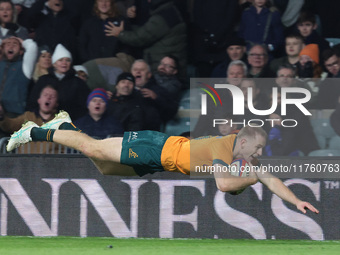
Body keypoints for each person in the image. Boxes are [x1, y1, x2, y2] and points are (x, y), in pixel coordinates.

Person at [6, 118, 319, 215]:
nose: (260, 154)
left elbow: (269, 177)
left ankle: (66, 125)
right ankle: (33, 131)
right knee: (92, 146)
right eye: (258, 147)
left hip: (160, 161)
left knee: (104, 168)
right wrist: (250, 178)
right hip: (154, 147)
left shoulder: (241, 154)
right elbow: (226, 185)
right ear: (245, 141)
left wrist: (296, 200)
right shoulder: (225, 148)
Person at [104, 0, 187, 77]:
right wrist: (126, 30)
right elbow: (146, 31)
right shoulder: (168, 11)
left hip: (165, 73)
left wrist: (120, 34)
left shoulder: (164, 16)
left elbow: (140, 38)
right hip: (166, 70)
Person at [27, 44, 90, 120]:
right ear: (54, 64)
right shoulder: (43, 80)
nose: (64, 63)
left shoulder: (78, 83)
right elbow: (32, 103)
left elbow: (84, 106)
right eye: (60, 60)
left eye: (67, 60)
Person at [0, 84, 60, 153]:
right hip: (25, 161)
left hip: (48, 162)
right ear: (39, 100)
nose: (48, 98)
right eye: (45, 95)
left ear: (56, 104)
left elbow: (62, 150)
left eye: (52, 96)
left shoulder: (59, 123)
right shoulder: (27, 117)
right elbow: (10, 126)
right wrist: (1, 116)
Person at [130, 59, 178, 131]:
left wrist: (156, 98)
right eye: (135, 69)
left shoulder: (158, 90)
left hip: (149, 133)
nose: (138, 72)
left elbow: (171, 111)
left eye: (142, 70)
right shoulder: (124, 90)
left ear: (149, 75)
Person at [0, 36, 37, 117]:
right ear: (2, 49)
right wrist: (2, 41)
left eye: (15, 44)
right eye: (8, 44)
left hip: (15, 115)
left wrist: (22, 42)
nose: (11, 46)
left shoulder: (25, 66)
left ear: (21, 51)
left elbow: (32, 47)